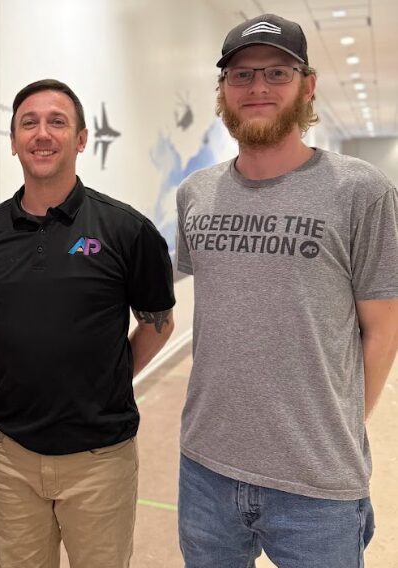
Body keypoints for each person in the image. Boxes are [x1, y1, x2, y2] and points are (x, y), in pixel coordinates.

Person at [176, 13, 398, 567]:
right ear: (224, 89)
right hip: (205, 468)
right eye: (242, 74)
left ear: (308, 85)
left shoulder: (361, 191)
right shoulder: (195, 193)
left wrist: (337, 427)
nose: (258, 87)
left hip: (317, 482)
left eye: (277, 72)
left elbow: (382, 330)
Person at [0, 79, 176, 568]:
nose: (42, 134)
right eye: (29, 123)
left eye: (57, 122)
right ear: (13, 140)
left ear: (81, 139)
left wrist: (113, 377)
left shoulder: (126, 229)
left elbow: (159, 322)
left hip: (100, 460)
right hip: (9, 456)